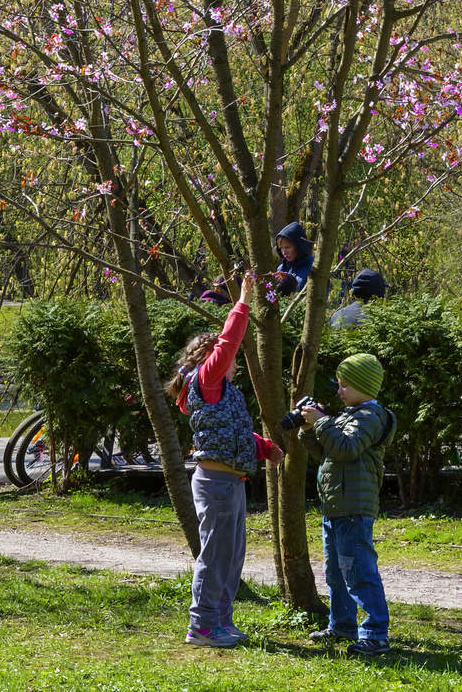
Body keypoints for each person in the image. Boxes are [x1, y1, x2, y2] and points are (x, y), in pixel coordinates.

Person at [165, 274, 285, 648]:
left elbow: (233, 436)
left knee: (232, 557)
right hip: (214, 484)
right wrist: (244, 300)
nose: (232, 362)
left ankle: (220, 620)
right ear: (212, 360)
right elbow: (230, 341)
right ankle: (200, 626)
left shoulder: (225, 395)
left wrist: (264, 447)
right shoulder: (208, 381)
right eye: (227, 358)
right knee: (215, 556)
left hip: (232, 483)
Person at [297, 353, 396, 657]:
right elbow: (323, 450)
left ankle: (376, 633)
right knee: (336, 572)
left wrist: (323, 422)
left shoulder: (369, 417)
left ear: (363, 387)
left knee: (358, 572)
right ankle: (342, 625)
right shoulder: (349, 414)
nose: (338, 391)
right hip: (336, 506)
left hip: (354, 508)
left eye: (344, 386)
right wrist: (308, 426)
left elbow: (345, 448)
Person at [267, 221, 314, 298]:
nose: (284, 252)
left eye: (287, 247)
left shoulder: (312, 265)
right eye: (281, 248)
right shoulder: (281, 268)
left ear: (299, 246)